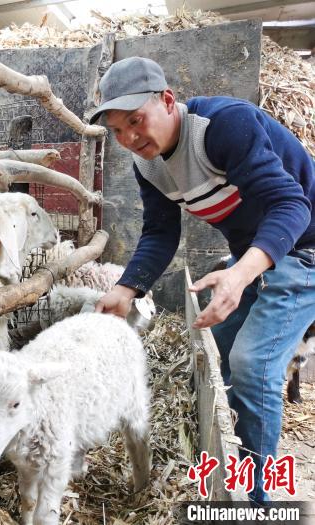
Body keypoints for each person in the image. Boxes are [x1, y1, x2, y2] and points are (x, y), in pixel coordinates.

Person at [89, 56, 315, 504]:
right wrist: (126, 288)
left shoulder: (224, 126)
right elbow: (160, 232)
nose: (129, 138)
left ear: (167, 100)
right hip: (253, 253)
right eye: (117, 131)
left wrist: (240, 274)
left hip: (305, 248)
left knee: (253, 365)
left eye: (135, 120)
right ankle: (227, 456)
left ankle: (255, 499)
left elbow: (291, 206)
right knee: (219, 349)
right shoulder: (148, 165)